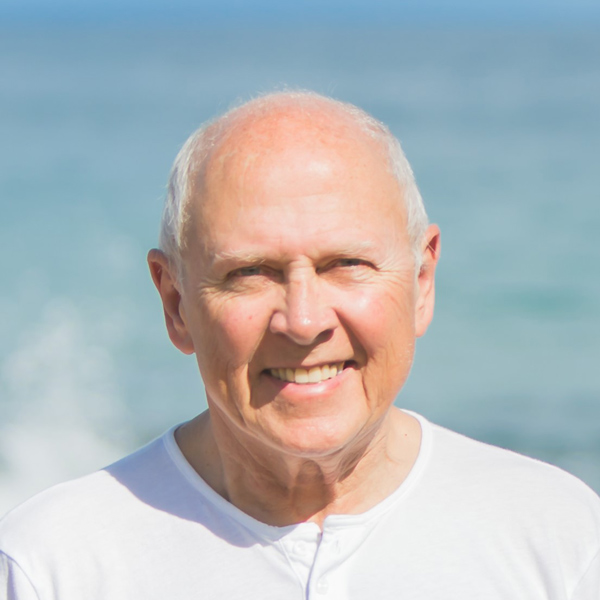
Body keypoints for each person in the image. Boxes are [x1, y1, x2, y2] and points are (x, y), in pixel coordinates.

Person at [1, 91, 599, 599]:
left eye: (346, 264)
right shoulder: (54, 565)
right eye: (251, 273)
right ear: (175, 304)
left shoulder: (559, 542)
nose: (303, 320)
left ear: (421, 282)